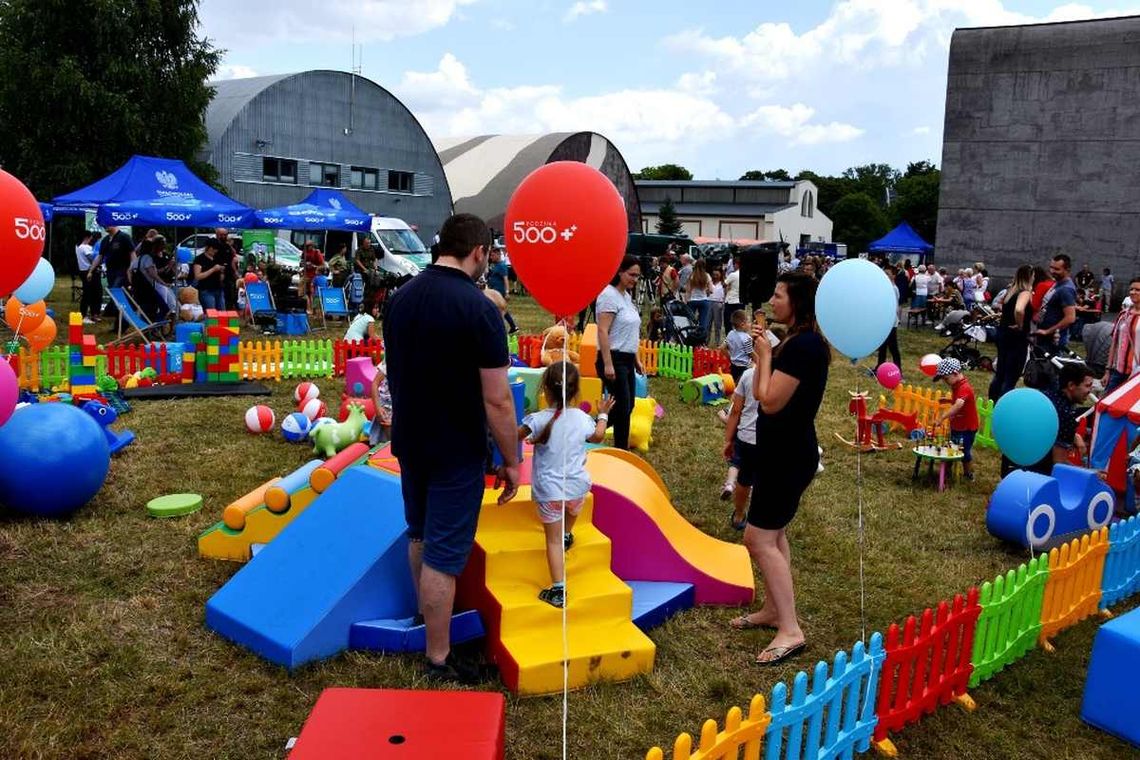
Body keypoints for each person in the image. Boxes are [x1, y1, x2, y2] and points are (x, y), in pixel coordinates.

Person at [383, 212, 519, 684]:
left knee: (418, 534)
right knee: (444, 555)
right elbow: (498, 399)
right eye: (490, 255)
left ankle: (427, 620)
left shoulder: (399, 299)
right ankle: (439, 656)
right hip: (455, 447)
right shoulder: (479, 309)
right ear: (479, 252)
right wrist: (513, 460)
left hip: (409, 440)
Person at [729, 271, 828, 666]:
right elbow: (758, 390)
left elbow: (769, 401)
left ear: (798, 302)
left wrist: (767, 355)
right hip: (778, 452)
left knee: (757, 540)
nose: (772, 301)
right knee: (775, 535)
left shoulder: (804, 347)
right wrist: (765, 354)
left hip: (788, 456)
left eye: (779, 294)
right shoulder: (795, 341)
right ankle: (774, 610)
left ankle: (791, 629)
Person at [517, 364, 614, 608]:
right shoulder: (582, 419)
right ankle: (568, 534)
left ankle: (559, 589)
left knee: (552, 542)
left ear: (545, 390)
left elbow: (512, 436)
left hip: (550, 492)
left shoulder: (537, 420)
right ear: (575, 391)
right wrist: (602, 413)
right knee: (572, 510)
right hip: (578, 487)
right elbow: (598, 437)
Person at [595, 255, 644, 450]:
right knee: (623, 409)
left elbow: (631, 332)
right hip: (613, 358)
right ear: (620, 272)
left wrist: (637, 359)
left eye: (638, 276)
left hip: (627, 358)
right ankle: (621, 450)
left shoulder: (626, 296)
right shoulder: (608, 295)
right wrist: (607, 363)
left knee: (628, 406)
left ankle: (591, 430)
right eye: (632, 274)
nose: (635, 279)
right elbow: (602, 330)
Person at [1028, 363, 1095, 475]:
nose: (1090, 391)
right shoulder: (1065, 415)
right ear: (1071, 385)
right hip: (1036, 474)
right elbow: (1059, 464)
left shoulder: (1046, 395)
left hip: (1012, 463)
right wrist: (1088, 473)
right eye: (1087, 386)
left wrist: (1075, 436)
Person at [988, 265, 1035, 401]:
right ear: (1030, 276)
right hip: (1017, 337)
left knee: (1000, 373)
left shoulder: (1010, 291)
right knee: (1011, 375)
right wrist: (1020, 325)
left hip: (1003, 334)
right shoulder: (1025, 292)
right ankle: (1003, 405)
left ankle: (993, 401)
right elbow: (1019, 310)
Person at [722, 360, 759, 529]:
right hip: (772, 441)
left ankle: (738, 515)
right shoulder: (785, 378)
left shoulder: (748, 375)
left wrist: (729, 439)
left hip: (747, 437)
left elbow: (735, 410)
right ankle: (760, 521)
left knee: (744, 480)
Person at [932, 358, 979, 480]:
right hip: (957, 425)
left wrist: (942, 417)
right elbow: (957, 401)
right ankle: (945, 472)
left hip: (967, 427)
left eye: (946, 378)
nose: (945, 382)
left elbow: (958, 405)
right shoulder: (956, 385)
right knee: (952, 448)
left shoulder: (964, 387)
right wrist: (948, 400)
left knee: (964, 452)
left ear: (955, 373)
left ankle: (968, 474)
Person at [1103, 277, 1140, 393]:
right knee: (1107, 403)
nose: (1133, 292)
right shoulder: (1123, 314)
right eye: (1131, 289)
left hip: (1136, 373)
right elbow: (1114, 343)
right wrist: (1108, 371)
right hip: (1118, 371)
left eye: (1138, 290)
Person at [1036, 254, 1078, 348]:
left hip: (1053, 341)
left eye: (1057, 269)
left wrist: (1048, 331)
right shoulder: (1058, 284)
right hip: (1044, 337)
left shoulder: (1066, 289)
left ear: (1067, 270)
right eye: (1051, 267)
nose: (1052, 271)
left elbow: (1070, 318)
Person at [485, 247, 517, 333]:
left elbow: (505, 279)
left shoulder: (502, 266)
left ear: (498, 255)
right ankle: (513, 326)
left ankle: (510, 326)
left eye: (493, 255)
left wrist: (507, 292)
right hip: (494, 291)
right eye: (491, 255)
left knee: (500, 309)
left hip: (500, 292)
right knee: (501, 309)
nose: (491, 257)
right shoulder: (495, 265)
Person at [192, 239, 228, 311]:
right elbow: (197, 276)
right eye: (214, 249)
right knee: (211, 313)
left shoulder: (217, 258)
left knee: (222, 311)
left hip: (218, 288)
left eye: (216, 249)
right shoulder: (199, 259)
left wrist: (222, 272)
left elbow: (222, 272)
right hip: (206, 290)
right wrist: (213, 269)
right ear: (209, 248)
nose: (215, 251)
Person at [877, 265, 902, 369]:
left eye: (888, 273)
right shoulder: (885, 287)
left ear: (893, 275)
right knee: (882, 346)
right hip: (884, 322)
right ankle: (879, 367)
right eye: (884, 273)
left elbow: (895, 307)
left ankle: (898, 369)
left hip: (891, 323)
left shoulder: (893, 288)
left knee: (893, 347)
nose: (885, 275)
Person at [76, 231, 102, 324]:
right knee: (94, 293)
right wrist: (100, 258)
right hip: (90, 272)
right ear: (87, 237)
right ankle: (88, 315)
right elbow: (93, 259)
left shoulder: (78, 246)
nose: (92, 239)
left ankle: (90, 314)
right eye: (91, 237)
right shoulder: (85, 247)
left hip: (83, 271)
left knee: (89, 293)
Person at [213, 228, 241, 310]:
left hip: (229, 275)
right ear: (217, 234)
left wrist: (235, 272)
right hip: (216, 276)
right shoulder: (214, 245)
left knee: (230, 296)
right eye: (221, 235)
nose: (223, 236)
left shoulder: (227, 246)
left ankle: (228, 313)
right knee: (219, 297)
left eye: (225, 235)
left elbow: (232, 259)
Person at [686, 259, 713, 342]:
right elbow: (711, 290)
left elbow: (688, 290)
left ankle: (689, 338)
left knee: (690, 320)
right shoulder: (707, 276)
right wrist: (707, 292)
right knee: (703, 322)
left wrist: (687, 300)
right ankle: (702, 340)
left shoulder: (692, 276)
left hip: (692, 300)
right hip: (704, 301)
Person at [725, 309, 753, 383]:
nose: (751, 324)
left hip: (733, 365)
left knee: (734, 384)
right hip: (744, 367)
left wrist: (731, 357)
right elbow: (750, 353)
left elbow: (722, 348)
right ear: (743, 324)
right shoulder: (747, 338)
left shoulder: (730, 333)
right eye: (749, 322)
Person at [369, 360, 392, 446]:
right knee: (387, 442)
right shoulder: (390, 361)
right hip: (387, 407)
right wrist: (378, 408)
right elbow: (375, 384)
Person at [723, 254, 742, 334]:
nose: (733, 266)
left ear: (737, 264)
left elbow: (724, 284)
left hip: (731, 301)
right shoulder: (746, 275)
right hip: (741, 301)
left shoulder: (733, 275)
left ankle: (729, 339)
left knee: (728, 323)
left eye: (734, 264)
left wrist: (723, 272)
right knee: (740, 323)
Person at [709, 269, 726, 347]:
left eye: (717, 275)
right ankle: (706, 340)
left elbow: (725, 294)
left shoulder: (723, 284)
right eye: (714, 275)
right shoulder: (709, 283)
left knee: (717, 324)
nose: (715, 276)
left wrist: (723, 303)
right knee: (708, 323)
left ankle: (717, 341)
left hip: (718, 303)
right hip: (709, 302)